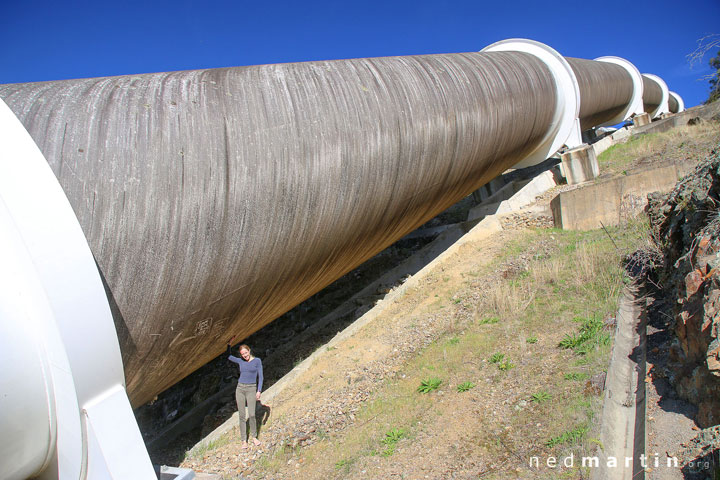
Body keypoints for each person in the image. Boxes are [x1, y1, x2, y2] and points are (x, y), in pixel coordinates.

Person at [227, 340, 264, 449]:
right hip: (240, 389)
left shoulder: (257, 361)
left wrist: (259, 390)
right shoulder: (240, 361)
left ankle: (254, 437)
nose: (245, 356)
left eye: (246, 353)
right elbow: (228, 356)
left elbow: (260, 377)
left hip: (251, 388)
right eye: (243, 354)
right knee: (242, 415)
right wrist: (229, 344)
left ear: (249, 351)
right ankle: (244, 440)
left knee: (252, 414)